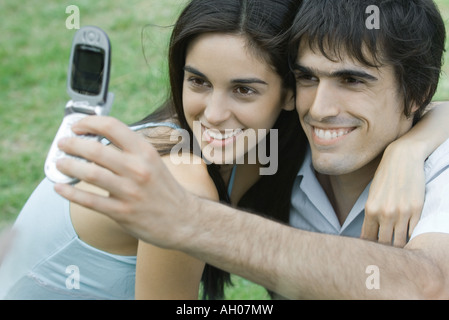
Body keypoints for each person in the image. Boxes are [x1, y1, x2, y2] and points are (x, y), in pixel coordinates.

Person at [50, 0, 449, 299]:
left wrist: (409, 151)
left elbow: (427, 284)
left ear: (417, 93)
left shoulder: (438, 170)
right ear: (290, 92)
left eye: (351, 80)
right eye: (307, 78)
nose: (321, 110)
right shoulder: (274, 153)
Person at [0, 0, 303, 300]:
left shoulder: (251, 154)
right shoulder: (184, 182)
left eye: (243, 90)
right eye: (199, 82)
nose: (213, 114)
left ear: (289, 94)